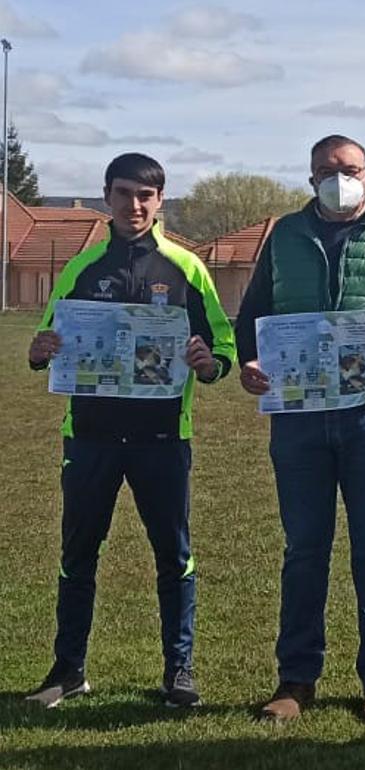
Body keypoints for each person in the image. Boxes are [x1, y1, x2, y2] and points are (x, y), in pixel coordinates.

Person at [234, 134, 365, 723]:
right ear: (310, 180)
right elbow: (252, 318)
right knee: (304, 549)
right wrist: (251, 362)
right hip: (299, 415)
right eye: (327, 171)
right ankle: (296, 679)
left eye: (349, 170)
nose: (339, 179)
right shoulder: (284, 236)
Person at [25, 152, 236, 709]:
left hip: (163, 438)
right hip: (90, 436)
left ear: (161, 200)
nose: (134, 205)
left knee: (174, 556)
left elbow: (222, 347)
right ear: (106, 197)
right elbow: (48, 337)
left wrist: (208, 362)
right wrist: (41, 349)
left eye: (146, 195)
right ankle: (68, 670)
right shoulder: (82, 267)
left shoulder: (188, 269)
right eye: (123, 193)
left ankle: (179, 672)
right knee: (78, 555)